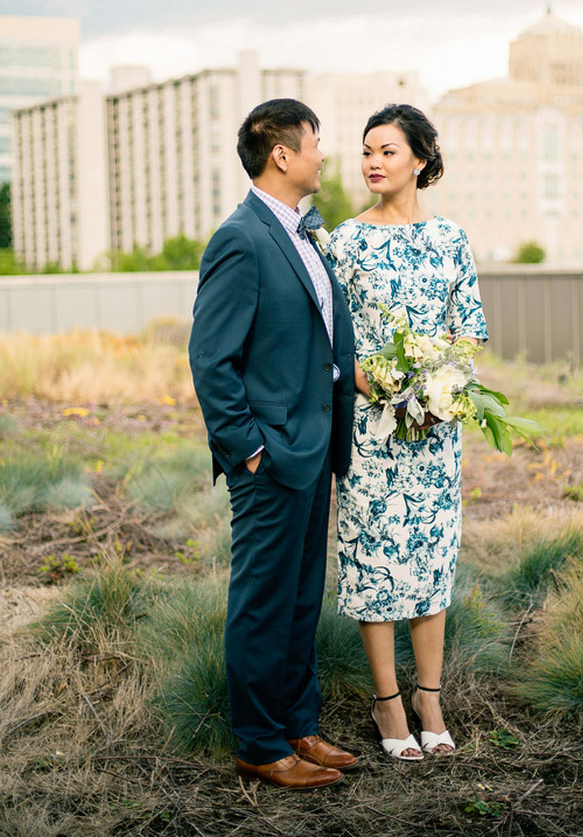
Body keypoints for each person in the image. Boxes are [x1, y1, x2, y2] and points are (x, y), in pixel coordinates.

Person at [188, 99, 357, 789]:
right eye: (315, 142)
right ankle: (259, 743)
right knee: (262, 601)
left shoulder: (303, 233)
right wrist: (249, 449)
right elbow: (210, 358)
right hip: (271, 457)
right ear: (281, 155)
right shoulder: (242, 238)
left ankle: (297, 725)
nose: (323, 153)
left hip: (312, 450)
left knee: (298, 599)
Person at [325, 104, 488, 761]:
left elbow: (470, 328)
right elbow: (327, 338)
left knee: (428, 557)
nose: (373, 162)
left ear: (420, 159)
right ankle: (389, 703)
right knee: (375, 560)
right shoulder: (343, 241)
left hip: (435, 428)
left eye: (387, 151)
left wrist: (437, 384)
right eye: (366, 150)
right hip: (371, 430)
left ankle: (431, 697)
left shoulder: (451, 239)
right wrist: (373, 383)